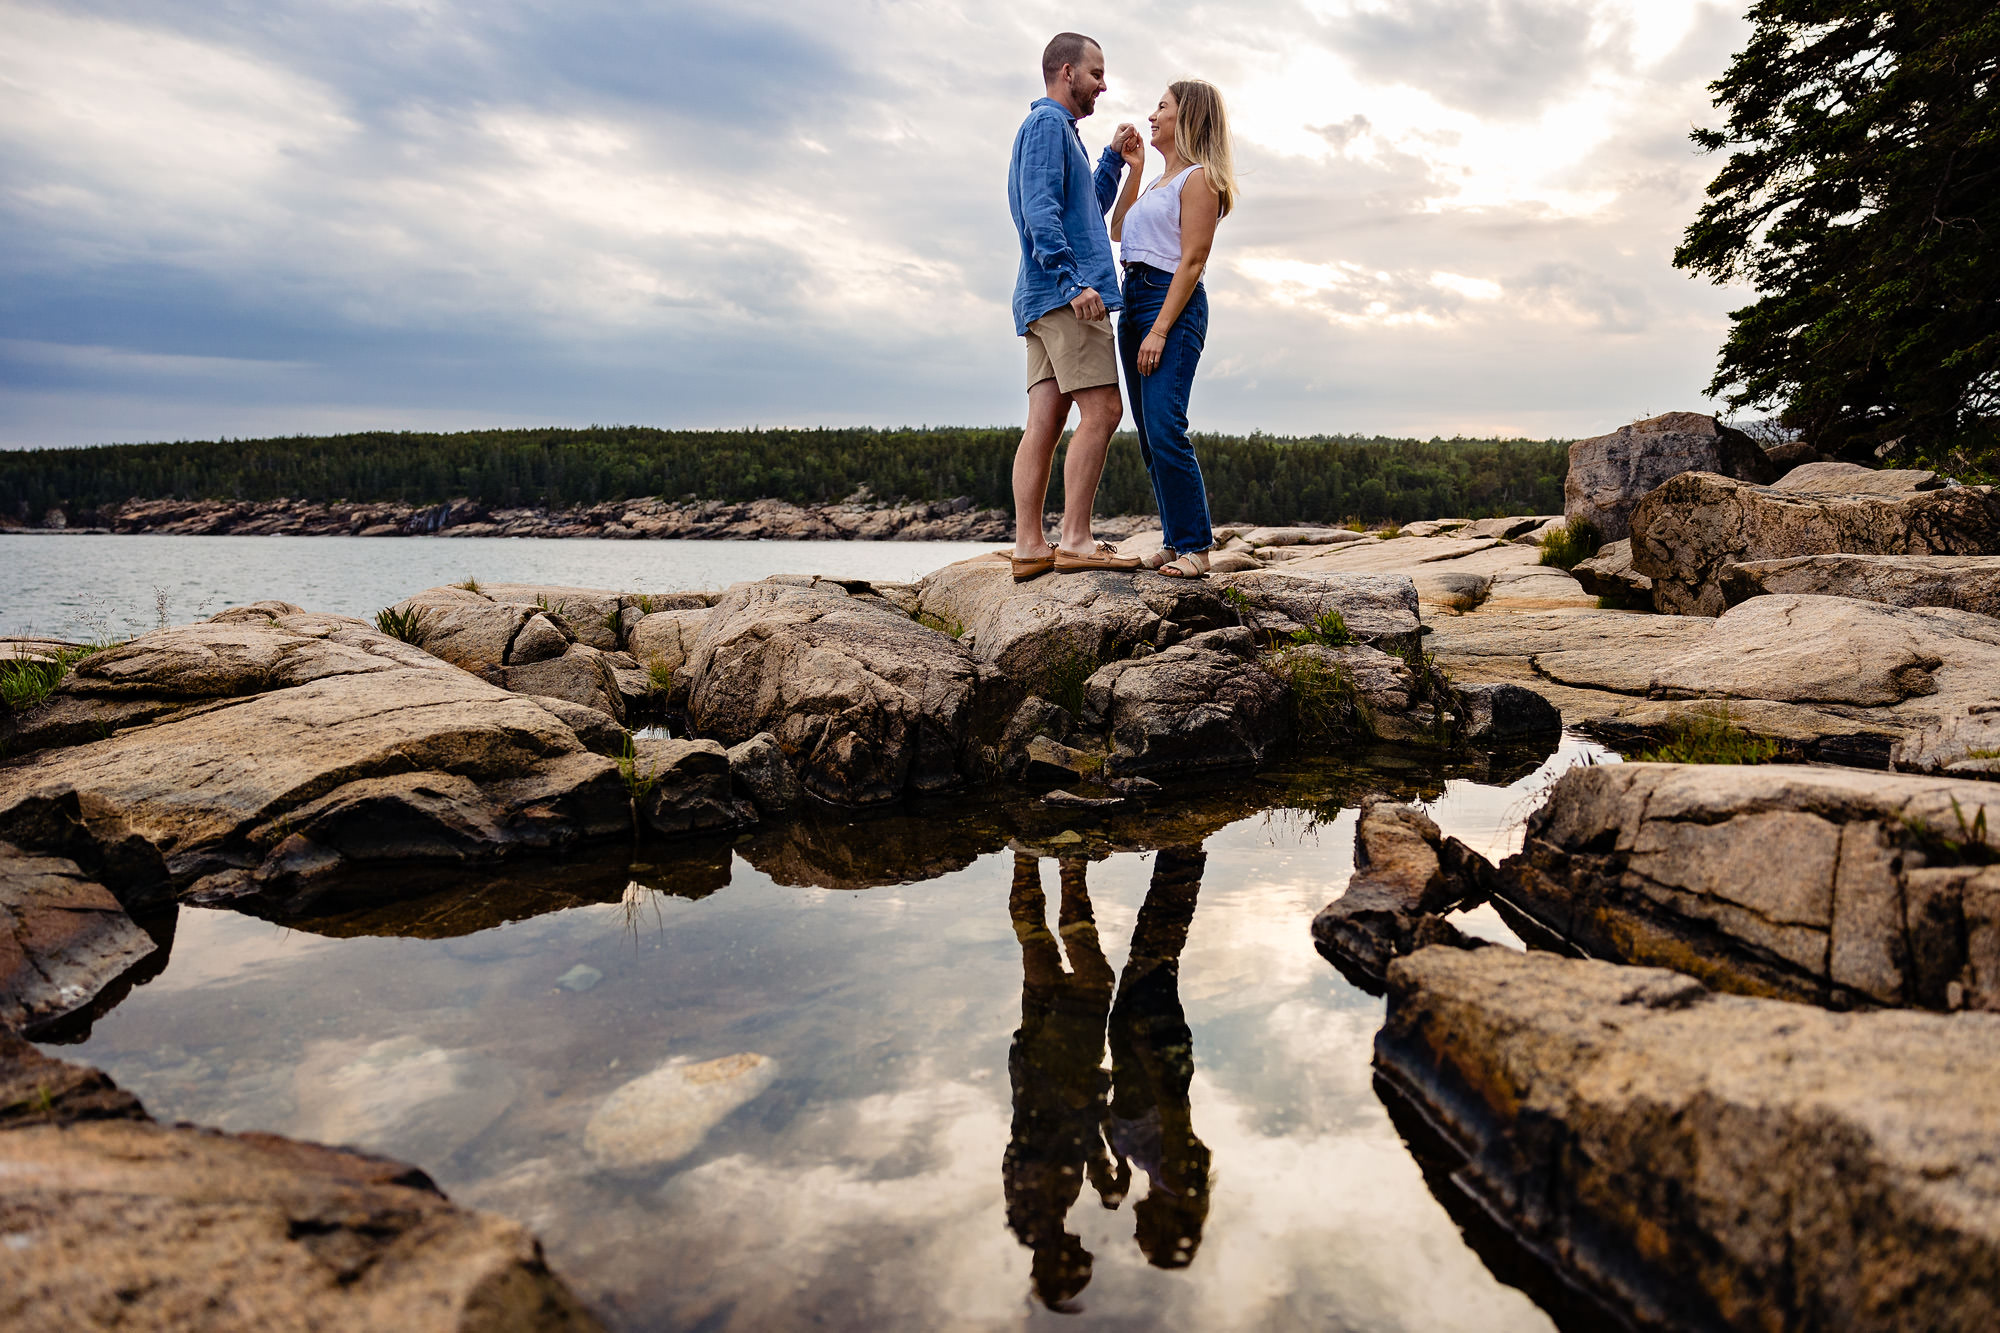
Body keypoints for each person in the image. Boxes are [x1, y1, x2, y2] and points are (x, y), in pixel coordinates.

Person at [1006, 32, 1145, 581]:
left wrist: (1113, 159)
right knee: (1105, 410)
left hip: (1040, 296)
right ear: (1067, 72)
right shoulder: (1046, 126)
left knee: (1045, 421)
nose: (1103, 85)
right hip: (1066, 297)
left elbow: (1082, 205)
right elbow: (1040, 210)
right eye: (1096, 73)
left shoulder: (1060, 133)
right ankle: (1077, 540)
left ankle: (1029, 547)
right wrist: (1072, 282)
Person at [1108, 80, 1238, 578]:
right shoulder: (1162, 182)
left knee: (1166, 426)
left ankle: (1196, 549)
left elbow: (1193, 261)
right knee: (1148, 434)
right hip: (1135, 298)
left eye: (1162, 106)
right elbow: (1119, 230)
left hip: (1170, 303)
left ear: (1189, 117)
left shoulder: (1201, 179)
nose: (1152, 115)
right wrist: (1135, 172)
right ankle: (1173, 539)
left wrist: (1160, 330)